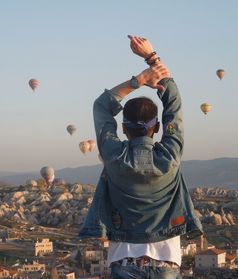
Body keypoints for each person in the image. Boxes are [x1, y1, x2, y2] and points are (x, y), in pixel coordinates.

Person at [79, 36, 203, 279]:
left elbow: (101, 106)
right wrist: (152, 58)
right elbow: (174, 105)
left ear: (123, 128)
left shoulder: (114, 156)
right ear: (156, 127)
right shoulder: (170, 155)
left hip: (124, 260)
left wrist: (139, 81)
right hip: (167, 262)